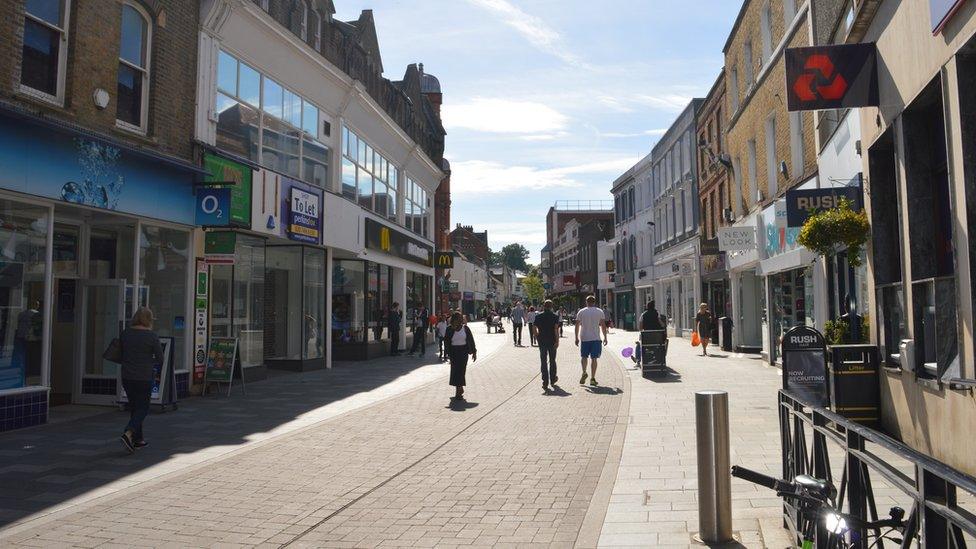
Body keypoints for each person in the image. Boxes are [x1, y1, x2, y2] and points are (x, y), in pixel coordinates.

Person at [119, 307, 164, 454]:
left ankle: (138, 440)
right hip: (143, 376)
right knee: (143, 408)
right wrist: (149, 361)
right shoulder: (151, 336)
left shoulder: (126, 334)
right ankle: (129, 432)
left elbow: (120, 353)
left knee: (134, 407)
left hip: (127, 376)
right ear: (148, 320)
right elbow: (160, 358)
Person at [575, 295, 609, 386]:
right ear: (594, 302)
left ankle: (584, 372)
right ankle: (593, 378)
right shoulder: (599, 311)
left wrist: (576, 337)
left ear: (586, 302)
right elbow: (603, 325)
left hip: (584, 338)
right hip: (596, 338)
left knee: (584, 357)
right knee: (594, 359)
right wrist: (605, 337)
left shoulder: (581, 312)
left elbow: (577, 325)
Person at [445, 311, 477, 402]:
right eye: (458, 318)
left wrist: (474, 352)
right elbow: (446, 341)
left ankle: (458, 391)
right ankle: (459, 389)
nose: (460, 320)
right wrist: (447, 353)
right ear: (454, 319)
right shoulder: (449, 329)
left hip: (463, 352)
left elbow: (471, 340)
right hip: (454, 352)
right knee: (455, 371)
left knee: (461, 371)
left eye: (461, 318)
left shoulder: (465, 328)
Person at [533, 300, 561, 393]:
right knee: (552, 360)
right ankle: (553, 379)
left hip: (542, 341)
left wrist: (537, 336)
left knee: (543, 361)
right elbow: (556, 330)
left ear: (543, 306)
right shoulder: (555, 317)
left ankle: (545, 381)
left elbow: (534, 328)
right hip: (552, 341)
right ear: (551, 306)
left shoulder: (538, 316)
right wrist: (557, 341)